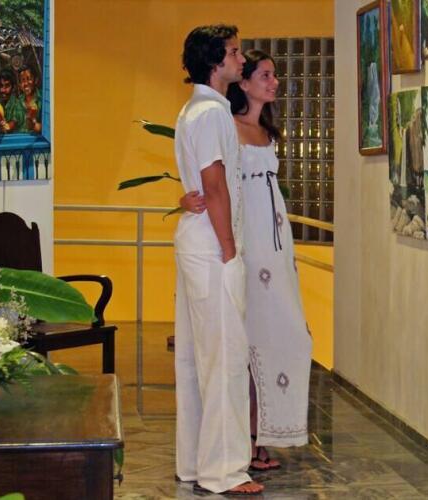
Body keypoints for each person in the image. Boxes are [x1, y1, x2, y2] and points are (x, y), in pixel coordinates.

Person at [181, 49, 312, 473]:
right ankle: (250, 440)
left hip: (277, 246)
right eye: (265, 75)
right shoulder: (226, 126)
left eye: (274, 75)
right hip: (247, 243)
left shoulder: (269, 133)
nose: (274, 82)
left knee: (289, 337)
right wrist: (185, 201)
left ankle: (268, 430)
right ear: (244, 82)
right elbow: (210, 182)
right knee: (249, 340)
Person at [172, 25, 262, 496]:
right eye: (234, 51)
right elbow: (214, 185)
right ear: (214, 61)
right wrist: (229, 250)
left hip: (198, 241)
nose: (241, 59)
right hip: (212, 247)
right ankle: (223, 471)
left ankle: (194, 463)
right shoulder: (210, 112)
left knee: (196, 360)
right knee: (225, 360)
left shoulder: (196, 108)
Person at [0, 69, 26, 134]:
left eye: (7, 86)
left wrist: (4, 125)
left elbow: (10, 126)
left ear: (13, 87)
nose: (3, 90)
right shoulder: (0, 103)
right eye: (1, 85)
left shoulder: (17, 105)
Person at [17, 65, 42, 133]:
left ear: (36, 80)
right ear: (20, 85)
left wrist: (32, 121)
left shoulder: (42, 98)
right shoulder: (18, 102)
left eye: (29, 79)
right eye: (22, 80)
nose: (25, 83)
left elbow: (48, 128)